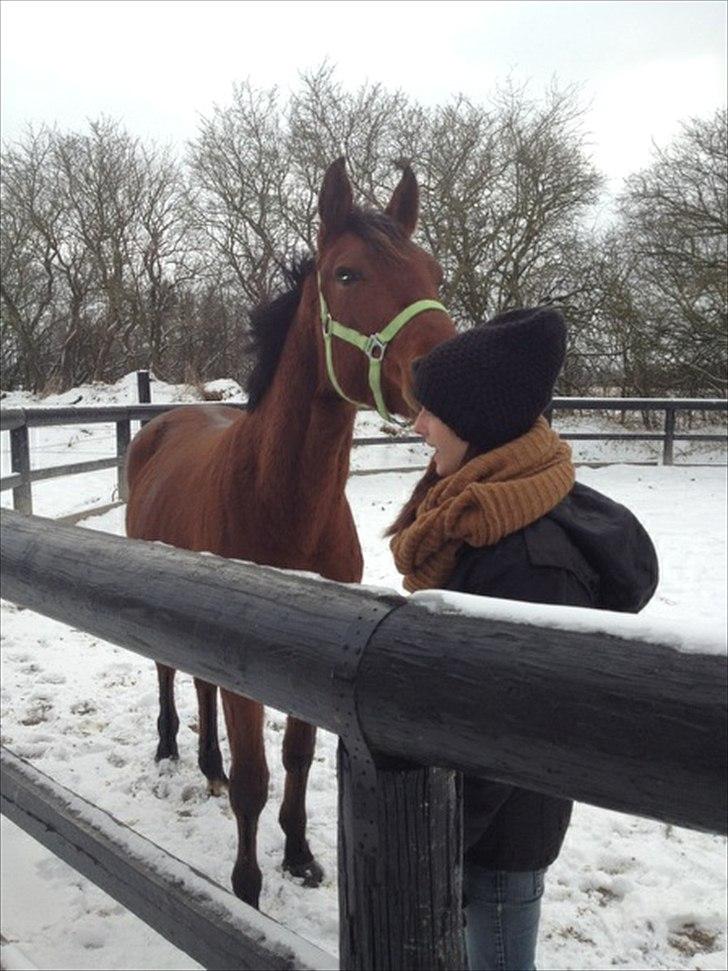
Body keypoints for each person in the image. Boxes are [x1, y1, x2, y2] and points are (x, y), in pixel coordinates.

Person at [387, 307, 659, 971]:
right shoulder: (479, 513)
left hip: (499, 832)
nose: (417, 426)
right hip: (478, 810)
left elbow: (512, 733)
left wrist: (441, 837)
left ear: (477, 424)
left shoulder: (530, 564)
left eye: (432, 412)